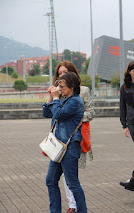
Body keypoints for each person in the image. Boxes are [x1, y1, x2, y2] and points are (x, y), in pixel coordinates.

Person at [52, 61, 95, 213]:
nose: (62, 75)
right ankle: (72, 205)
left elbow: (91, 112)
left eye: (65, 72)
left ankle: (75, 206)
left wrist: (74, 117)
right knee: (57, 177)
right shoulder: (60, 93)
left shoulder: (82, 91)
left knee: (71, 176)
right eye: (59, 73)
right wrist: (52, 99)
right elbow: (53, 114)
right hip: (59, 139)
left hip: (76, 136)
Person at [43, 72, 87, 213]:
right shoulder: (63, 99)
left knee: (72, 183)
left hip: (70, 147)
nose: (60, 89)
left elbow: (59, 114)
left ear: (72, 87)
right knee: (50, 180)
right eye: (58, 86)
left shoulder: (75, 101)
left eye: (62, 86)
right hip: (59, 147)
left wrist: (56, 98)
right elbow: (47, 113)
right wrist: (52, 97)